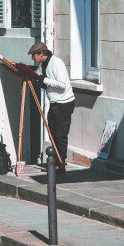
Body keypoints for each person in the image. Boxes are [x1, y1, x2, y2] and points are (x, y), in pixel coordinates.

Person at [28, 42, 75, 172]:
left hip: (64, 103)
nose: (33, 59)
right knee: (52, 133)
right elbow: (38, 75)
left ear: (41, 53)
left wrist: (44, 80)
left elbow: (62, 85)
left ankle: (61, 164)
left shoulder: (56, 63)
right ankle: (54, 162)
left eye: (34, 56)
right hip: (55, 103)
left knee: (60, 134)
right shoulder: (43, 64)